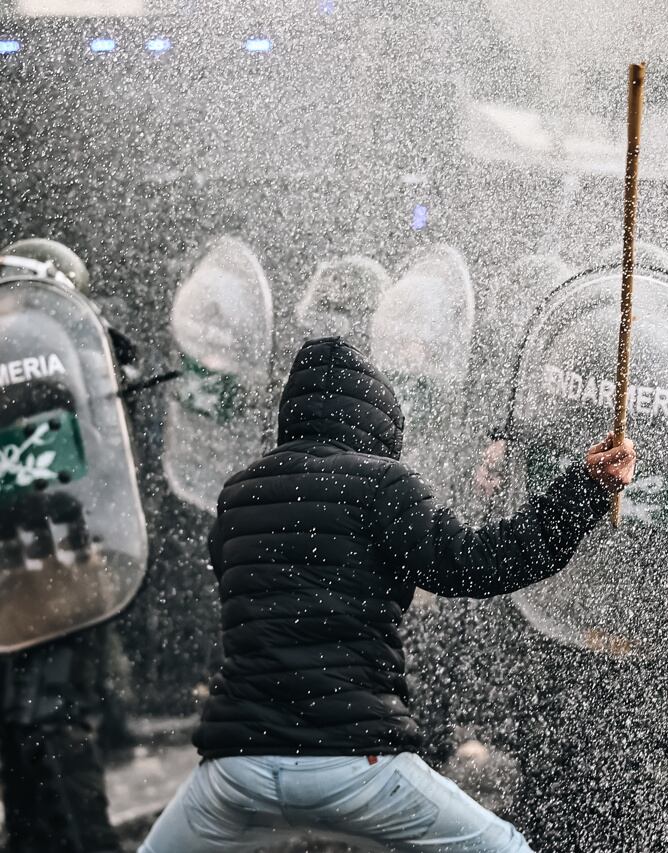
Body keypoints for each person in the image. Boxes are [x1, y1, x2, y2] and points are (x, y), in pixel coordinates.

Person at [139, 337, 637, 853]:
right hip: (354, 761)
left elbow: (242, 588)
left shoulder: (238, 493)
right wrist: (585, 489)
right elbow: (479, 564)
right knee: (503, 846)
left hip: (236, 768)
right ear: (377, 418)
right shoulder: (382, 484)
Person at [0, 239, 130, 853]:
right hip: (63, 560)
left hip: (13, 568)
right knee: (58, 721)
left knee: (22, 726)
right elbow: (103, 459)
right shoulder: (59, 342)